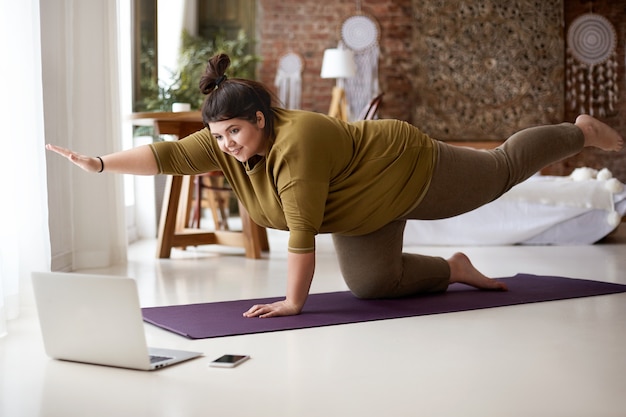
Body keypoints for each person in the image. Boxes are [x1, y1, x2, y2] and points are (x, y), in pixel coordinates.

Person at [46, 53, 624, 319]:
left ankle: (576, 132)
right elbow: (167, 154)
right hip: (359, 207)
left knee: (498, 171)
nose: (226, 145)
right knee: (375, 284)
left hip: (406, 169)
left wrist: (294, 302)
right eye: (219, 136)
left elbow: (301, 233)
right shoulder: (228, 145)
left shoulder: (299, 148)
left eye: (235, 133)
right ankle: (455, 268)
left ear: (262, 120)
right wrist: (99, 163)